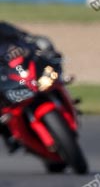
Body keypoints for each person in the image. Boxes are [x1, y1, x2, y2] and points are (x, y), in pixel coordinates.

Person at [0, 22, 61, 151]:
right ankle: (10, 136)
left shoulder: (4, 29)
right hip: (4, 82)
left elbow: (25, 38)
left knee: (51, 71)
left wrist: (38, 45)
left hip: (18, 72)